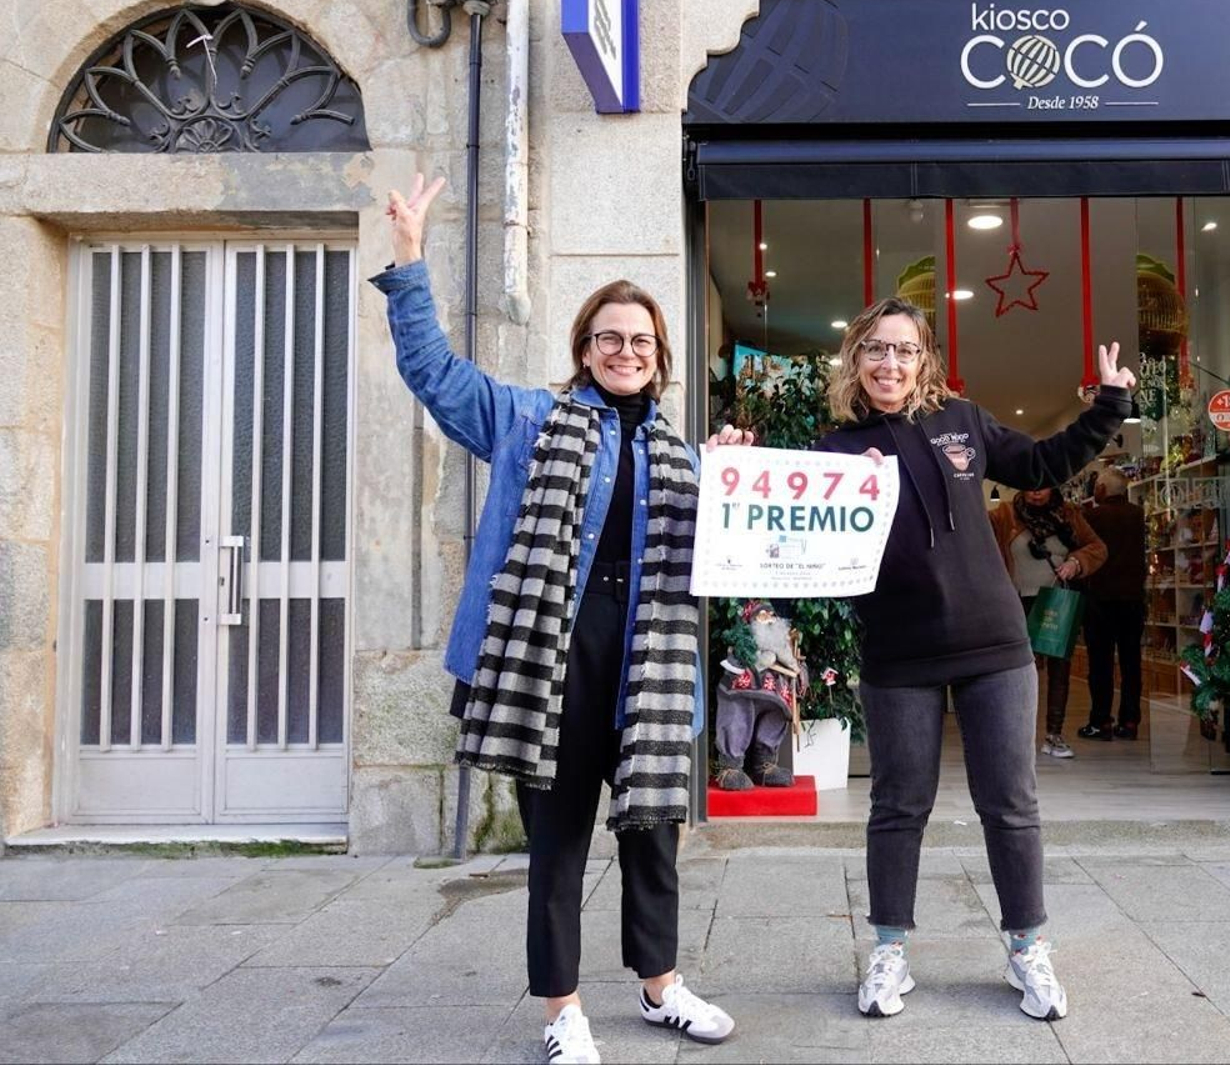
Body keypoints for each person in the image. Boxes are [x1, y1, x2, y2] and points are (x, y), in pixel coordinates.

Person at [372, 175, 734, 1065]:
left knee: (652, 831)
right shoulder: (530, 420)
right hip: (551, 657)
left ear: (660, 355)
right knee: (559, 842)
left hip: (646, 659)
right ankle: (562, 1009)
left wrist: (729, 477)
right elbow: (434, 374)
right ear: (584, 347)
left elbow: (718, 554)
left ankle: (659, 986)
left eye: (641, 341)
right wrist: (411, 258)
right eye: (609, 338)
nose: (625, 350)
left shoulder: (679, 452)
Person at [718, 297, 1134, 1022]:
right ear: (857, 359)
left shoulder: (963, 422)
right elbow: (786, 537)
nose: (890, 363)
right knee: (898, 806)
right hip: (898, 650)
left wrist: (1110, 405)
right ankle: (889, 953)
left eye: (905, 350)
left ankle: (1027, 949)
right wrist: (739, 469)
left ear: (924, 360)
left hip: (993, 644)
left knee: (1010, 804)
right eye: (877, 350)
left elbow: (1041, 462)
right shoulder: (831, 452)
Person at [989, 486, 1106, 759]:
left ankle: (1054, 735)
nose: (1036, 493)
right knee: (1016, 671)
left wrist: (1076, 562)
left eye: (1042, 487)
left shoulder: (1069, 515)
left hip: (1056, 600)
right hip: (1018, 602)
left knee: (1059, 671)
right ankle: (1015, 736)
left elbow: (1098, 547)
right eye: (1030, 487)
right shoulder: (1005, 514)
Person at [1077, 466, 1148, 742]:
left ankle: (1101, 720)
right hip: (1132, 598)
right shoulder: (1137, 515)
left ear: (1102, 490)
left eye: (1097, 485)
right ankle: (1130, 721)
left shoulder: (1091, 517)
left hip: (1100, 598)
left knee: (1101, 663)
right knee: (1132, 662)